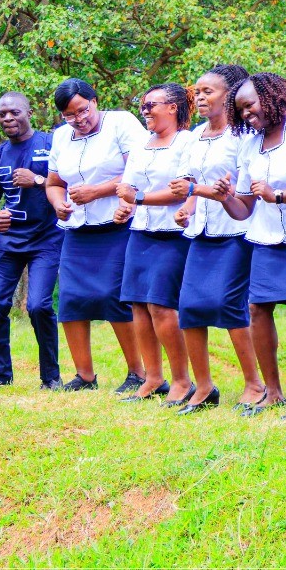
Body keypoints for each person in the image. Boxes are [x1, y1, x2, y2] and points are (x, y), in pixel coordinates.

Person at [45, 78, 149, 392]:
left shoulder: (121, 123)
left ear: (94, 101)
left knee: (113, 296)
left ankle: (138, 373)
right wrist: (58, 205)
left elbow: (139, 170)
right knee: (71, 299)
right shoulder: (61, 136)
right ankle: (85, 376)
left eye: (82, 110)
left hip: (118, 224)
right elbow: (54, 183)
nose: (79, 119)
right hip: (78, 229)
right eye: (69, 115)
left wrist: (97, 191)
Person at [172, 64, 263, 414]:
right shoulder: (195, 136)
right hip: (201, 232)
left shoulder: (243, 137)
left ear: (229, 95)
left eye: (207, 92)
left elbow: (242, 192)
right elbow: (193, 184)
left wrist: (199, 191)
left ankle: (254, 385)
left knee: (229, 305)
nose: (199, 97)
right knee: (189, 307)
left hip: (235, 231)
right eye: (197, 92)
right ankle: (204, 387)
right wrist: (187, 207)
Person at [220, 72, 286, 415]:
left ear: (272, 97)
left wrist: (277, 195)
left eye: (251, 105)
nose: (246, 114)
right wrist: (225, 197)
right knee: (257, 309)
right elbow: (244, 209)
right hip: (266, 238)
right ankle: (272, 391)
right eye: (241, 110)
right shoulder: (249, 145)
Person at [0, 92, 64, 389]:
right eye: (2, 114)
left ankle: (51, 377)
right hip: (8, 242)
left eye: (14, 112)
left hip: (47, 238)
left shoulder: (52, 144)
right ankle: (1, 376)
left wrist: (37, 180)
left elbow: (73, 184)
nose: (8, 118)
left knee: (38, 306)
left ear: (29, 113)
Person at [116, 83, 196, 404]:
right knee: (138, 304)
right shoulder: (141, 145)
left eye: (151, 105)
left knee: (161, 306)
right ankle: (153, 379)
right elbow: (128, 187)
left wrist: (138, 198)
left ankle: (182, 381)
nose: (145, 111)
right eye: (143, 106)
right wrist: (125, 206)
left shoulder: (187, 141)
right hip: (141, 232)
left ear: (173, 107)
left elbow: (181, 190)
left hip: (172, 233)